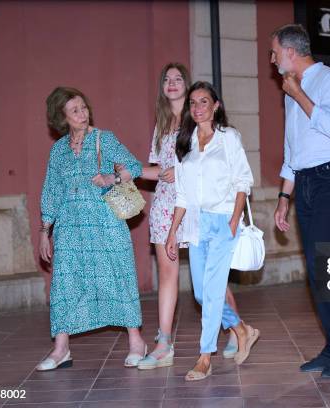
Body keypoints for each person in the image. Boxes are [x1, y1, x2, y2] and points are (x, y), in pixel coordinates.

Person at [134, 63, 241, 369]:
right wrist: (132, 172)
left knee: (210, 276)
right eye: (166, 79)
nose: (172, 83)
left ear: (188, 84)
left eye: (178, 78)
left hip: (197, 207)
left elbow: (208, 166)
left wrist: (177, 171)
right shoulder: (162, 124)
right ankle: (164, 343)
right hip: (166, 206)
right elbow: (159, 171)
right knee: (167, 276)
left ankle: (236, 329)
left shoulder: (196, 119)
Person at [270, 24, 330, 378]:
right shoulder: (290, 90)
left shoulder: (328, 80)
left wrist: (299, 94)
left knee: (325, 266)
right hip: (305, 181)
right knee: (316, 269)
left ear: (291, 52)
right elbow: (293, 150)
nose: (272, 58)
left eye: (274, 51)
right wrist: (282, 196)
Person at [37, 87, 146, 371]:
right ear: (61, 117)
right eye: (75, 110)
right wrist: (44, 230)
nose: (82, 114)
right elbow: (51, 190)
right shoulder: (58, 150)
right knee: (65, 284)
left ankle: (137, 342)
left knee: (118, 277)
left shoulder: (103, 139)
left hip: (105, 224)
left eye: (84, 107)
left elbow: (132, 166)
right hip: (70, 229)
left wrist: (112, 176)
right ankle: (61, 349)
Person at [166, 81, 259, 381]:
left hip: (222, 222)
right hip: (194, 225)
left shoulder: (229, 138)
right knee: (201, 294)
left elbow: (242, 180)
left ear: (216, 105)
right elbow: (182, 195)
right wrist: (172, 233)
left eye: (203, 101)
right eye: (193, 102)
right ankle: (242, 329)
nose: (197, 107)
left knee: (214, 291)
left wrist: (234, 219)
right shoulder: (186, 143)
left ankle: (205, 357)